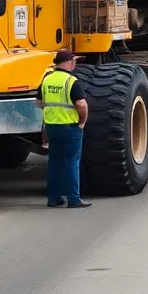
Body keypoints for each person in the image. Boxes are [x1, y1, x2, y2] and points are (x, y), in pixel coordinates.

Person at [37, 49, 91, 208]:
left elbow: (39, 101)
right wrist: (82, 120)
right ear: (68, 63)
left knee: (54, 161)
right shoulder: (71, 81)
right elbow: (81, 104)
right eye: (74, 61)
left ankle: (53, 198)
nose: (75, 64)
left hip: (52, 127)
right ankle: (74, 199)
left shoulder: (47, 79)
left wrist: (52, 113)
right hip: (70, 127)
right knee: (72, 162)